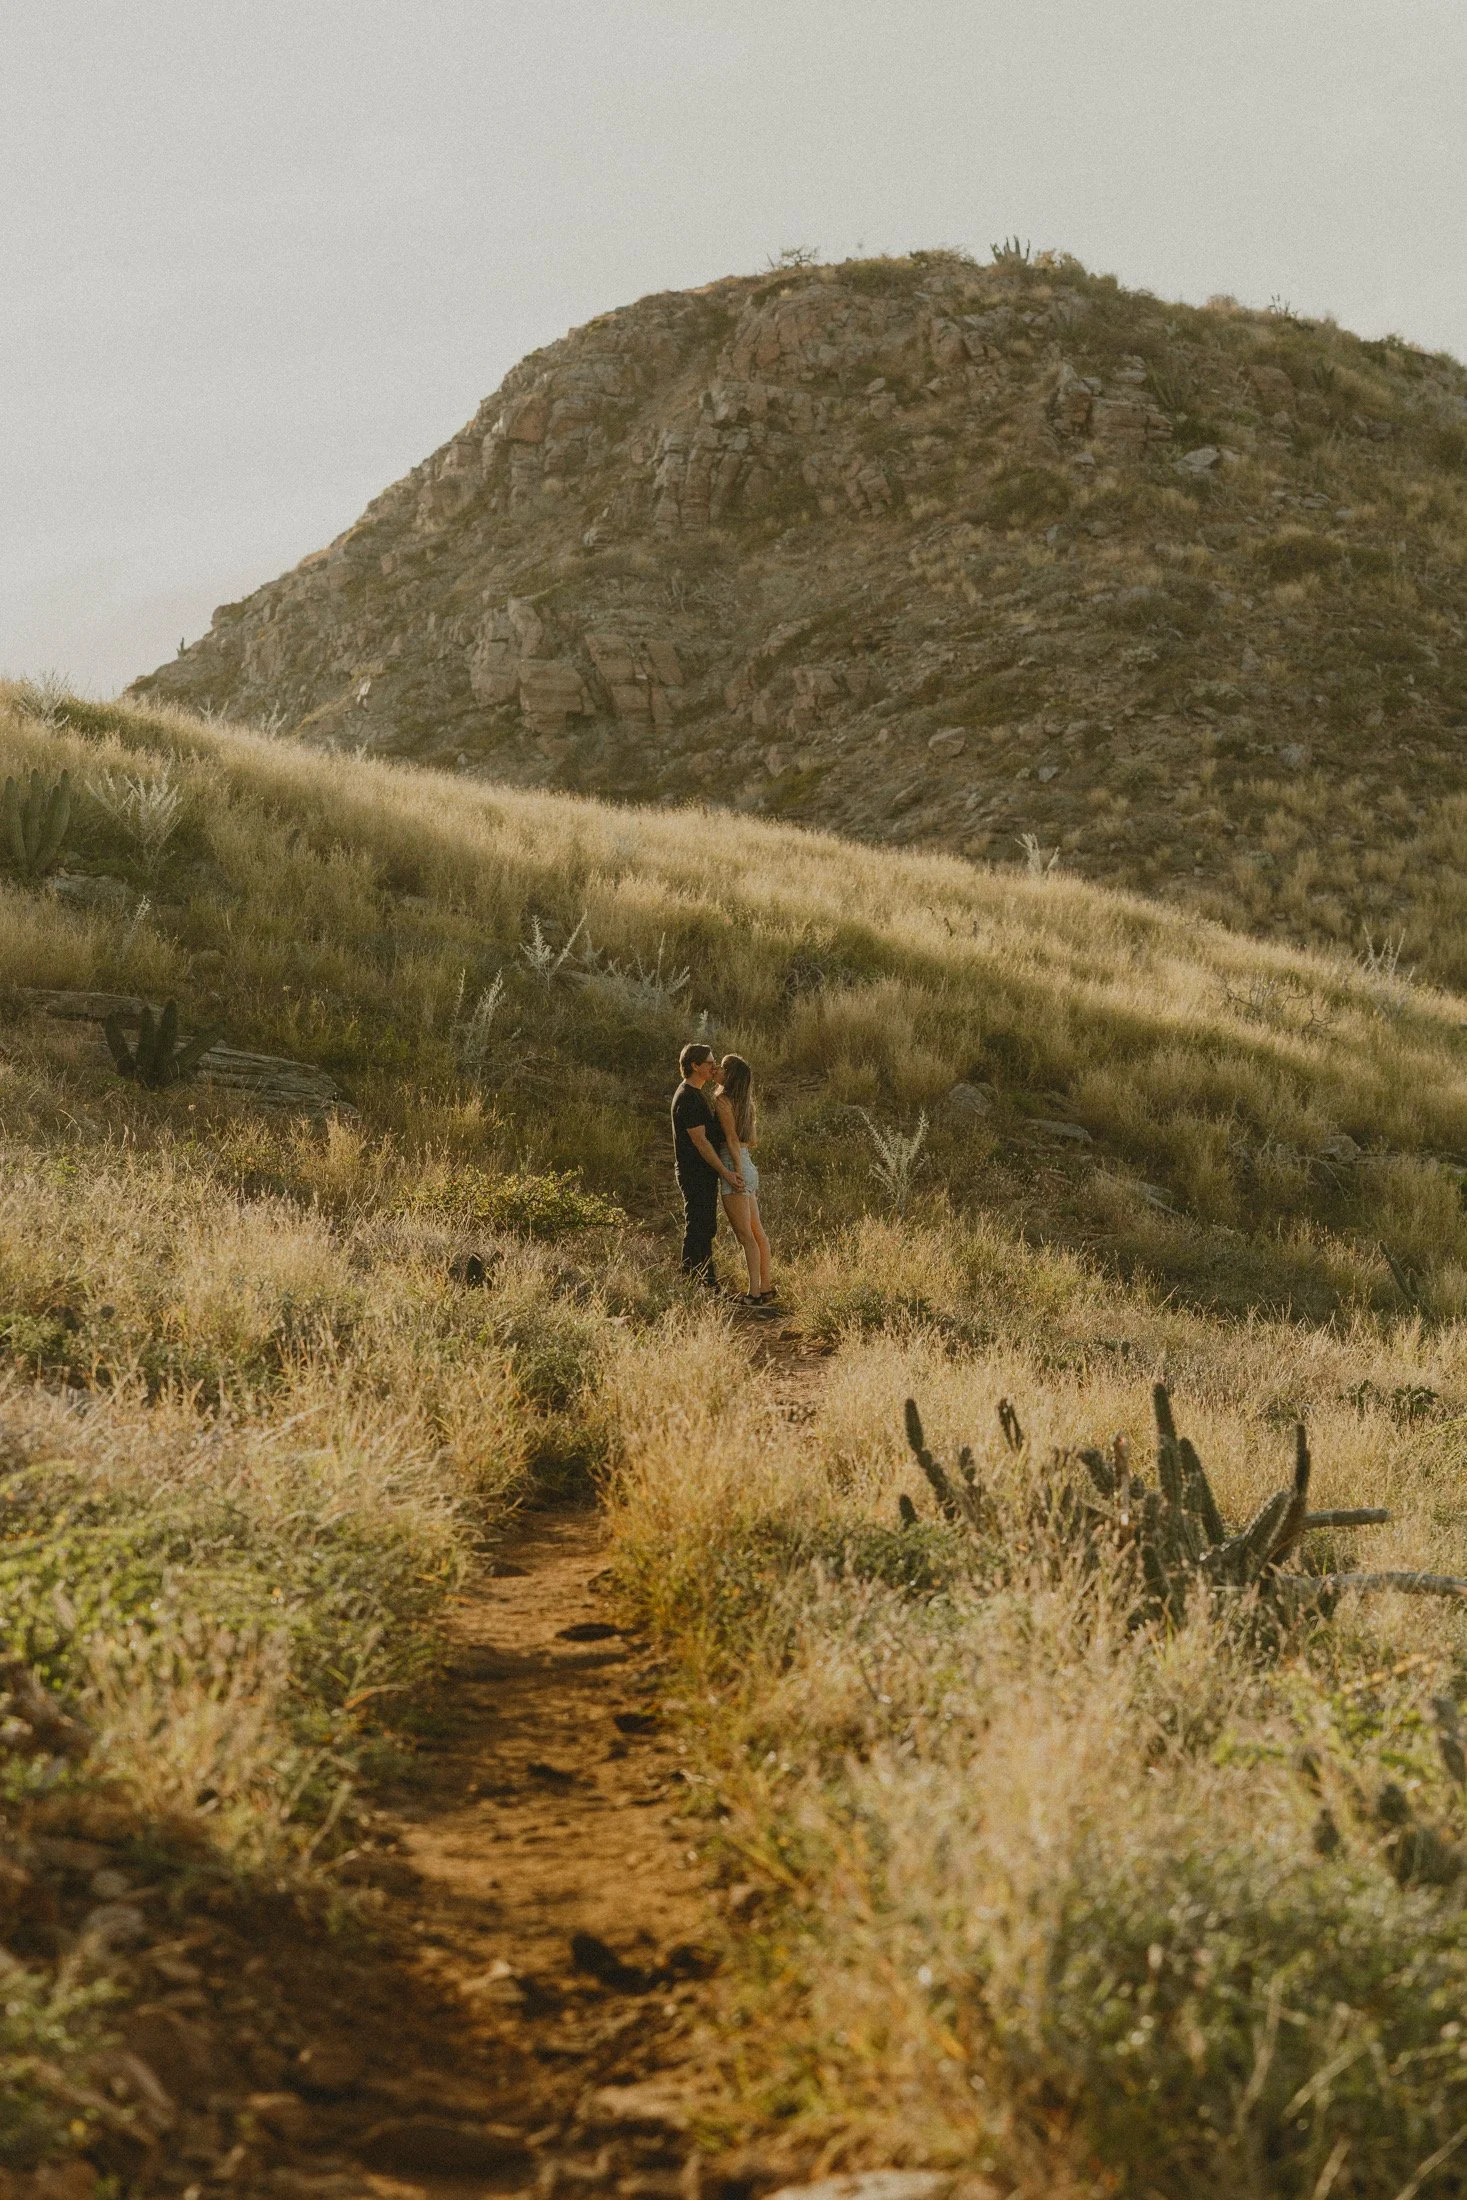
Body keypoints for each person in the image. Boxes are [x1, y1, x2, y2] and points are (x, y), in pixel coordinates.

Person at [670, 1042, 740, 1287]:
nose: (714, 1066)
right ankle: (695, 1282)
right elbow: (701, 1142)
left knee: (705, 1226)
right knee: (698, 1226)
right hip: (694, 1172)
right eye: (709, 1062)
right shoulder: (687, 1098)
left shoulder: (694, 1094)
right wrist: (726, 1172)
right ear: (695, 1065)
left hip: (701, 1172)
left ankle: (706, 1281)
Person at [711, 1053, 774, 1305]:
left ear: (730, 1076)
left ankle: (753, 1294)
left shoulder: (722, 1100)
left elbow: (731, 1139)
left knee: (745, 1236)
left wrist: (735, 1172)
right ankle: (766, 1288)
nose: (716, 1069)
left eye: (722, 1067)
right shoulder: (746, 1104)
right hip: (748, 1163)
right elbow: (752, 1140)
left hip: (734, 1163)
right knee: (758, 1233)